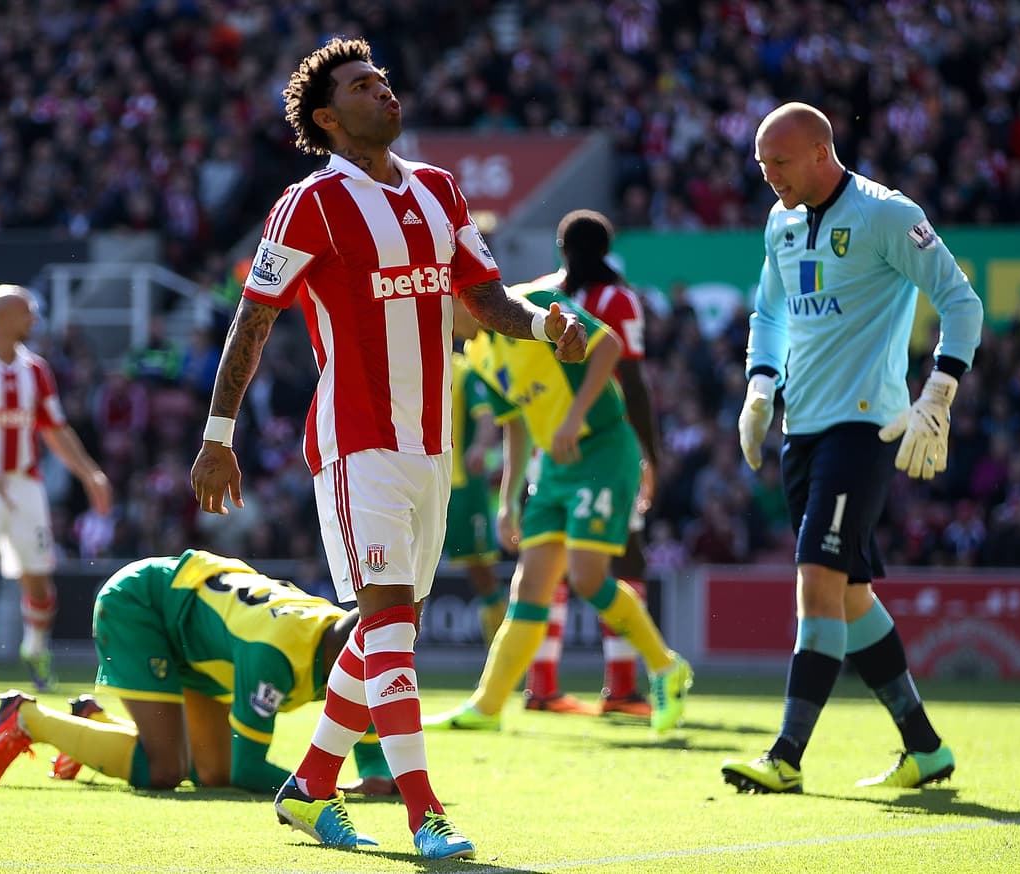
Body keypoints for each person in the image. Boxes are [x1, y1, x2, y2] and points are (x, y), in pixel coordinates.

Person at [187, 37, 585, 860]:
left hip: (430, 443)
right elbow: (252, 319)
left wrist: (544, 322)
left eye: (384, 78)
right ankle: (424, 812)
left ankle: (308, 789)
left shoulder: (439, 189)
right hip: (356, 438)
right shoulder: (309, 202)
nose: (385, 91)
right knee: (390, 625)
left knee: (386, 629)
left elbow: (484, 296)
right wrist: (217, 437)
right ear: (329, 118)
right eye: (364, 86)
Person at [721, 103, 984, 794]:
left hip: (865, 426)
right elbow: (770, 313)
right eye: (760, 164)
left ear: (818, 152)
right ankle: (924, 748)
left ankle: (786, 755)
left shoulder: (886, 215)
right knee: (853, 597)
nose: (768, 175)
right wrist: (759, 388)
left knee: (816, 579)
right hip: (802, 428)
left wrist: (938, 394)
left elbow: (961, 303)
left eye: (777, 162)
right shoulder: (779, 223)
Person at [422, 283, 692, 735]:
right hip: (552, 467)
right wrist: (508, 499)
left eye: (440, 306)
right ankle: (487, 707)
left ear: (458, 295)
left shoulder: (527, 304)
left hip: (602, 450)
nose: (438, 319)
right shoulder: (479, 354)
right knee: (529, 588)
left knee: (587, 577)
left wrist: (573, 416)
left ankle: (666, 668)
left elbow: (608, 346)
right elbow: (515, 427)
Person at [0, 548, 394, 795]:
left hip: (196, 639)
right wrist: (329, 792)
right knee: (165, 771)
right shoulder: (275, 654)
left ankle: (93, 726)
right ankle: (27, 718)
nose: (369, 678)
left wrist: (374, 774)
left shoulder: (336, 631)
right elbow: (248, 769)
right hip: (141, 604)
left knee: (211, 773)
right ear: (344, 657)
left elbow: (363, 708)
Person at [521, 209, 664, 719]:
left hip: (550, 445)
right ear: (607, 248)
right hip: (606, 444)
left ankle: (542, 684)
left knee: (550, 566)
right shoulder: (618, 299)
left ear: (561, 247)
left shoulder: (540, 293)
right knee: (624, 560)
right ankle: (623, 686)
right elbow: (633, 381)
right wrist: (650, 453)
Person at [0, 284, 112, 694]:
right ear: (3, 317)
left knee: (38, 576)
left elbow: (55, 429)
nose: (34, 319)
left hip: (24, 485)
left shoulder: (35, 369)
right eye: (28, 312)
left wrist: (90, 473)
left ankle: (35, 651)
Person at [444, 347, 507, 646]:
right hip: (424, 483)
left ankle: (502, 649)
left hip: (462, 489)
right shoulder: (410, 364)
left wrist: (481, 446)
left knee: (481, 571)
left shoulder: (465, 371)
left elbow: (486, 417)